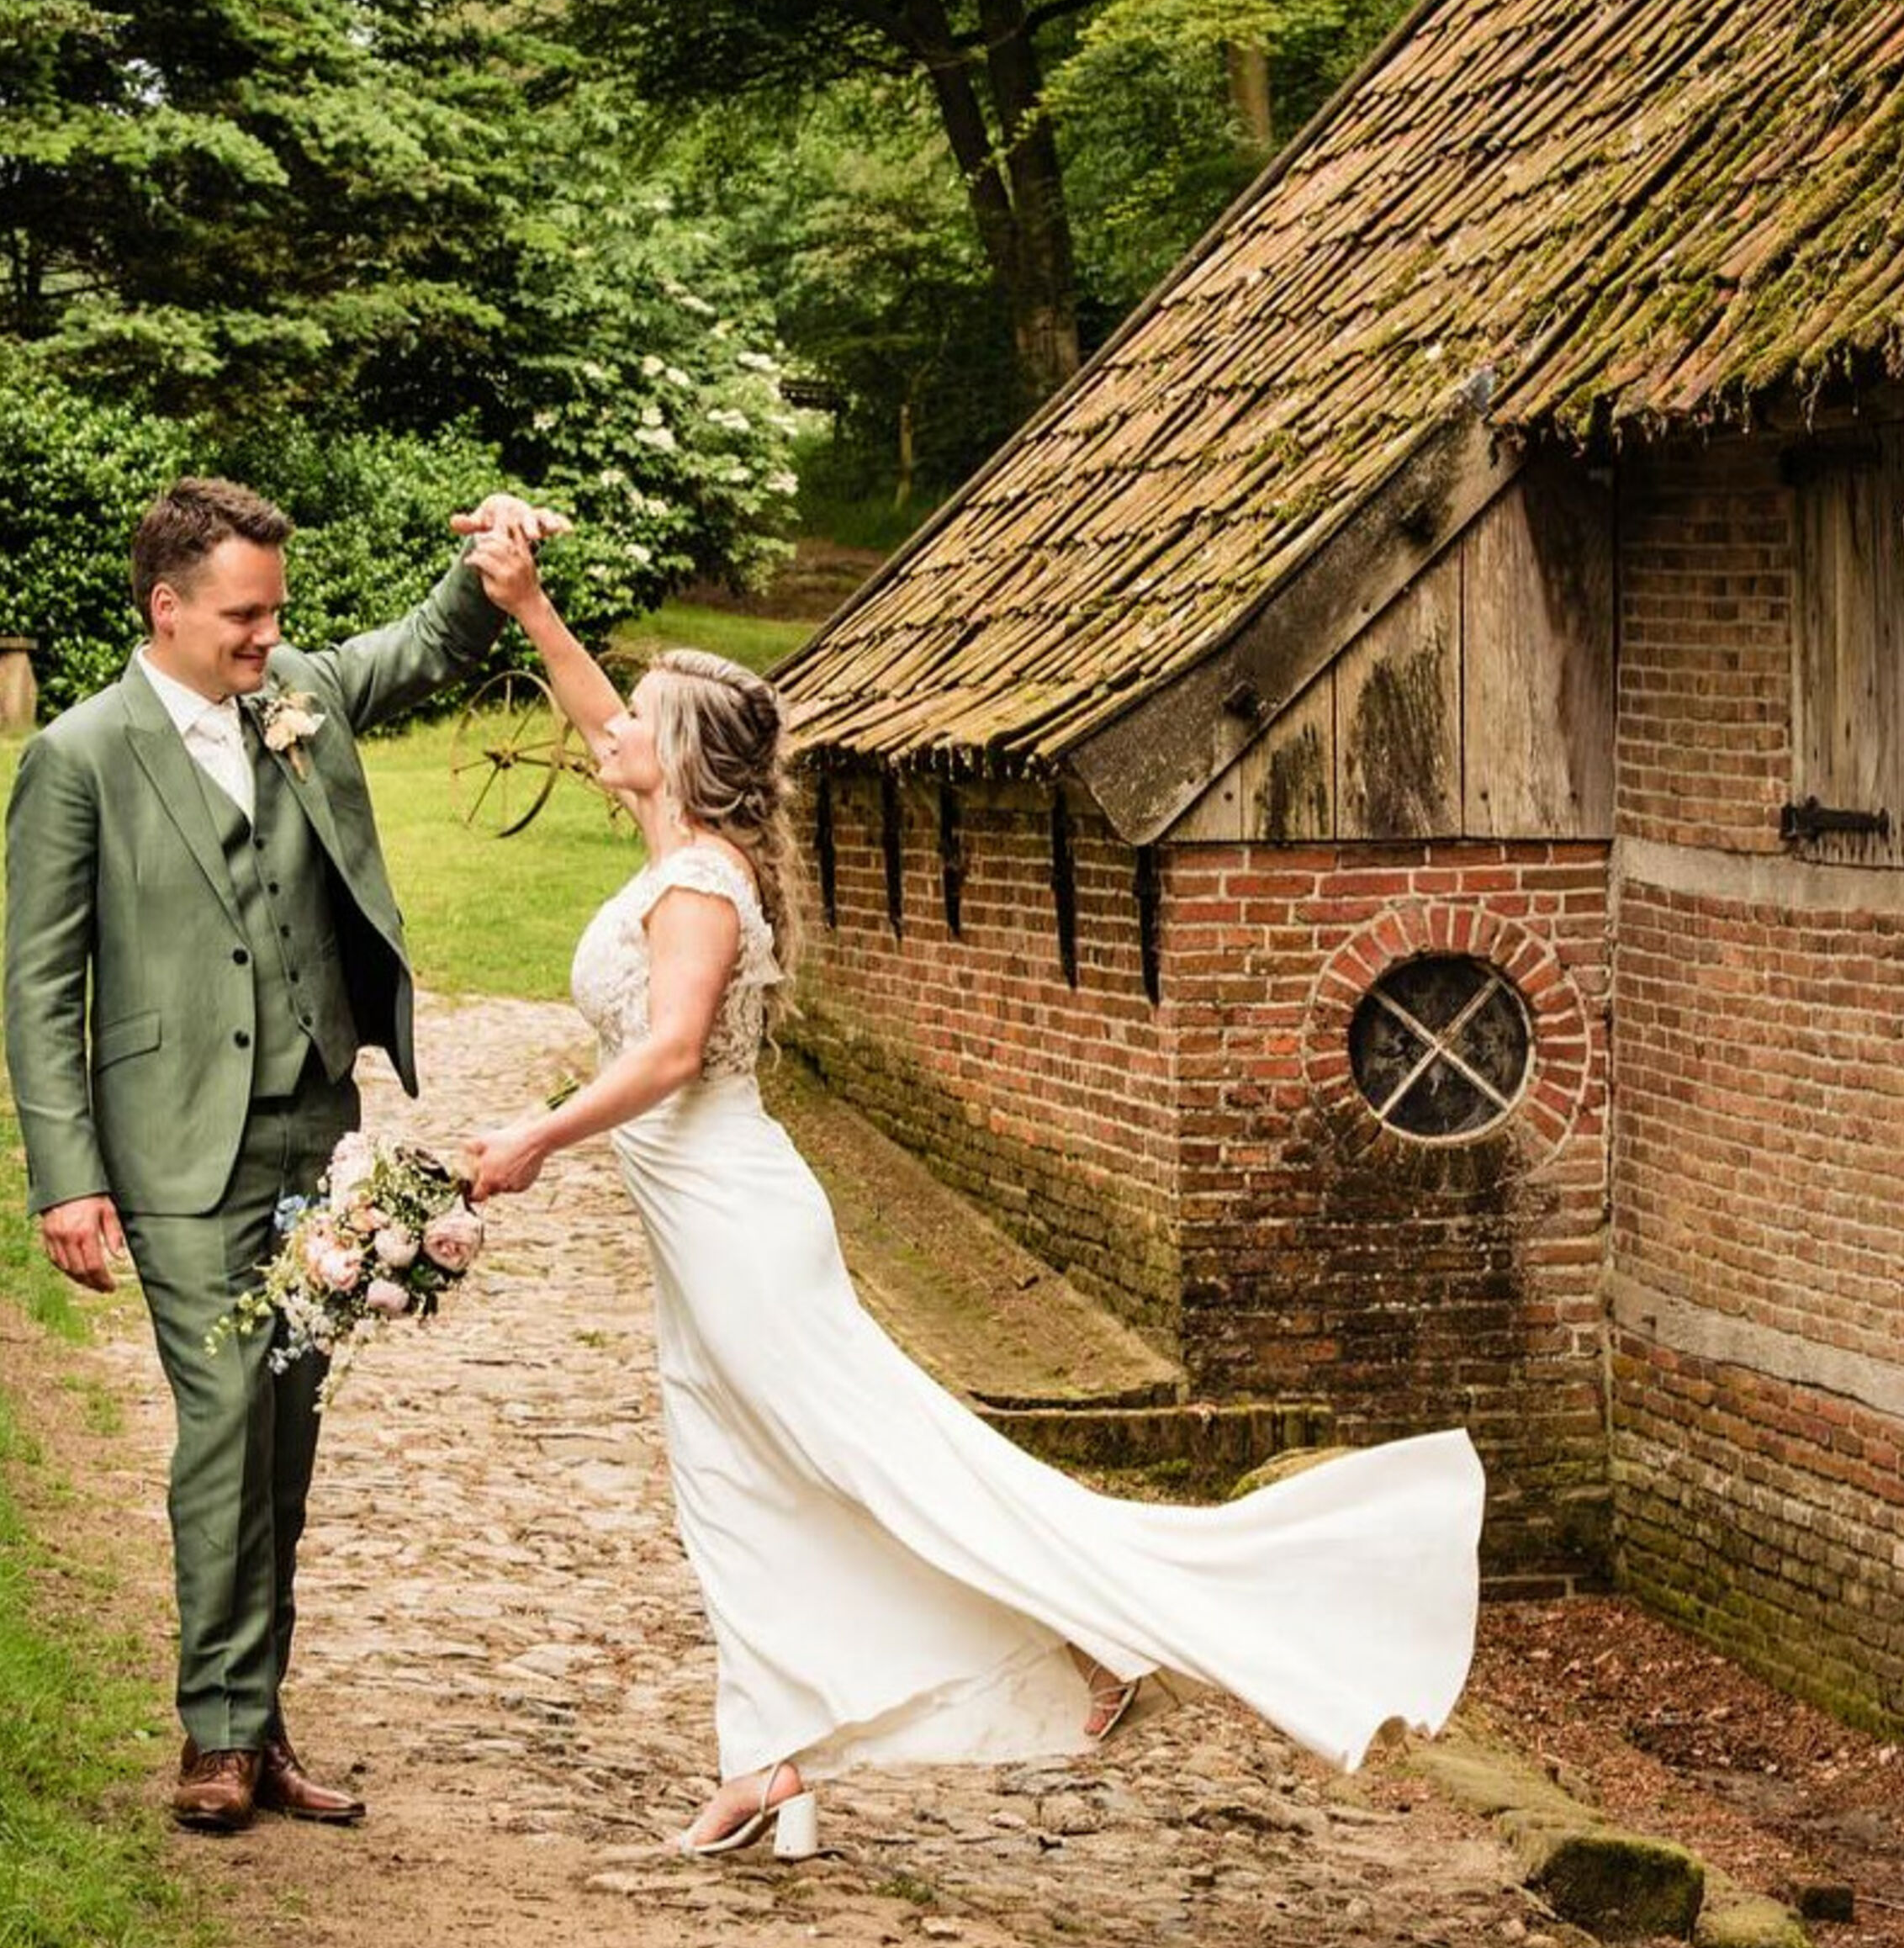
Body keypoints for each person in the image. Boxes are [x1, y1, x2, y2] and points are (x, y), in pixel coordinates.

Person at [455, 541, 1487, 1857]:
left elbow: (663, 1056)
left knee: (881, 1463)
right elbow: (602, 718)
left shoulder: (704, 889)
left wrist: (536, 1135)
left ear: (682, 757)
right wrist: (528, 605)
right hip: (699, 1232)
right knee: (734, 1481)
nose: (609, 733)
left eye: (636, 723)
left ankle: (1101, 1637)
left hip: (740, 1228)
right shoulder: (682, 844)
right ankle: (767, 1756)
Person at [3, 476, 555, 1833]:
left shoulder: (299, 695)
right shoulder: (78, 756)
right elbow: (40, 985)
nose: (266, 639)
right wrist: (67, 1176)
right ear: (168, 608)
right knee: (224, 1416)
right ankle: (217, 1728)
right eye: (244, 618)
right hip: (173, 1143)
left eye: (276, 615)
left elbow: (418, 649)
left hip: (317, 1124)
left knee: (288, 1431)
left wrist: (492, 572)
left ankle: (260, 1724)